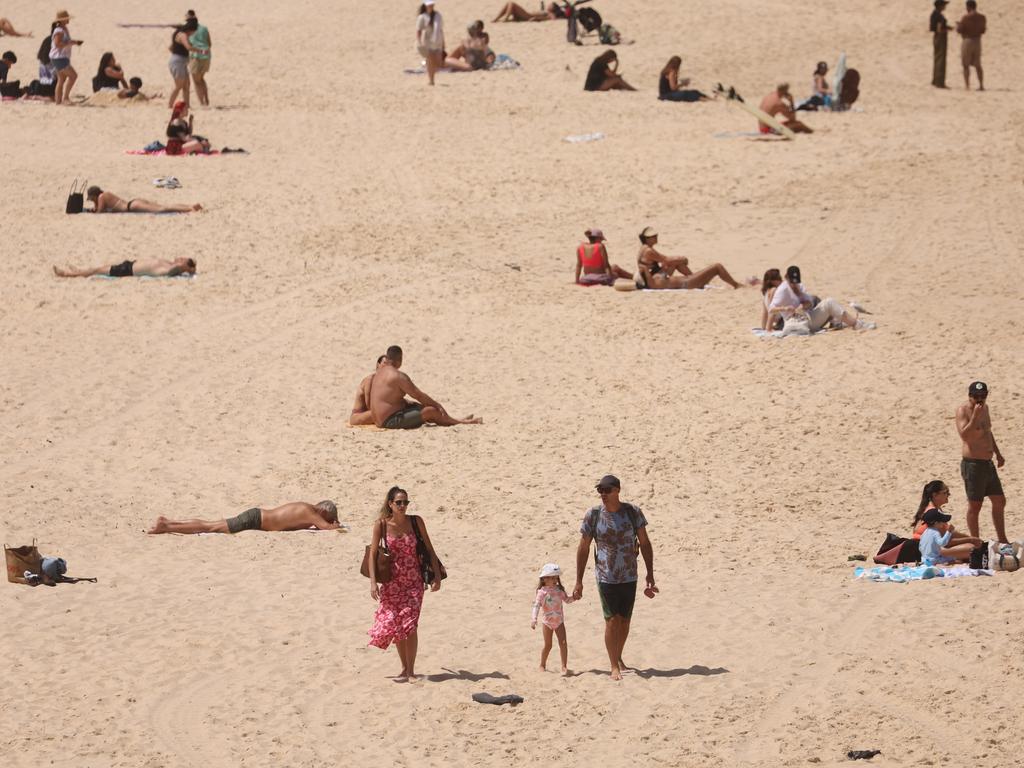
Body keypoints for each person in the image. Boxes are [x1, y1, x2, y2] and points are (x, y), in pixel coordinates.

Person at [573, 475, 655, 681]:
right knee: (611, 621)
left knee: (624, 621)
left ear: (617, 490)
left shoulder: (633, 512)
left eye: (607, 490)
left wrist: (650, 574)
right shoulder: (593, 515)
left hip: (629, 574)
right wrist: (579, 580)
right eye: (600, 490)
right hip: (605, 576)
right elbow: (583, 547)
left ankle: (618, 657)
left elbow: (645, 543)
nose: (603, 494)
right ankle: (613, 666)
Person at [367, 486, 443, 681]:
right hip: (392, 583)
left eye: (405, 502)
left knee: (411, 624)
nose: (403, 506)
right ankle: (403, 667)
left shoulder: (416, 522)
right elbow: (372, 554)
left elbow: (429, 547)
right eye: (399, 502)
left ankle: (411, 670)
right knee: (396, 625)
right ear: (390, 504)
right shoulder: (381, 525)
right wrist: (373, 583)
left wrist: (436, 575)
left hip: (414, 582)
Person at [369, 345, 482, 428]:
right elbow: (418, 395)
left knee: (419, 406)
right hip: (389, 421)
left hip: (378, 419)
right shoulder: (398, 376)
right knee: (431, 410)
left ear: (387, 358)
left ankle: (455, 419)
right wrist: (438, 405)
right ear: (400, 360)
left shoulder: (378, 374)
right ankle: (461, 422)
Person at [956, 381, 1008, 542]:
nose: (979, 400)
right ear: (969, 396)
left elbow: (988, 433)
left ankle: (1003, 539)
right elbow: (965, 436)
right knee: (975, 505)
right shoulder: (963, 411)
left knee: (999, 500)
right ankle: (976, 541)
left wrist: (998, 453)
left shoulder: (985, 408)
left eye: (983, 396)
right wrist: (974, 418)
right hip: (973, 465)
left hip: (987, 463)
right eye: (976, 397)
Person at [636, 227, 743, 289]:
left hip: (676, 280)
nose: (656, 237)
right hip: (684, 283)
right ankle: (736, 285)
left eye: (656, 235)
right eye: (654, 236)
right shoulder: (649, 252)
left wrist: (679, 261)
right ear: (647, 239)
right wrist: (682, 259)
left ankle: (693, 277)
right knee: (717, 266)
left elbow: (666, 261)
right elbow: (665, 259)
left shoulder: (644, 249)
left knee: (678, 264)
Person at [147, 500, 339, 534]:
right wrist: (335, 525)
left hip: (256, 517)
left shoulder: (305, 508)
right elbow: (327, 528)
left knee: (211, 525)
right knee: (209, 526)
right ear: (323, 510)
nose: (328, 520)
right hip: (255, 520)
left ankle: (169, 523)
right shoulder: (311, 512)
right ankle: (167, 526)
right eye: (329, 517)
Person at [768, 265, 861, 331]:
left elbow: (810, 302)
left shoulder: (799, 286)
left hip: (807, 318)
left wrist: (804, 305)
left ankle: (853, 323)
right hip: (794, 322)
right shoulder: (782, 290)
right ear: (786, 277)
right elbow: (771, 309)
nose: (794, 284)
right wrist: (785, 308)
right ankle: (856, 324)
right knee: (829, 303)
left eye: (796, 282)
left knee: (829, 302)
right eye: (792, 282)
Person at [531, 563, 575, 676]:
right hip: (547, 622)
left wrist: (574, 597)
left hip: (559, 621)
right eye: (552, 577)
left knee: (563, 643)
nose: (555, 579)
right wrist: (534, 619)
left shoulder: (559, 591)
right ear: (544, 579)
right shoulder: (541, 593)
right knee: (548, 645)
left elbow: (567, 600)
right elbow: (536, 606)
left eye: (556, 577)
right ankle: (542, 664)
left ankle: (564, 666)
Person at [910, 480, 983, 548]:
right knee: (971, 548)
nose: (949, 494)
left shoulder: (928, 508)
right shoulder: (932, 512)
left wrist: (970, 538)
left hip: (925, 546)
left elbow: (950, 534)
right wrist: (970, 540)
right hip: (925, 549)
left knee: (971, 546)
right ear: (935, 495)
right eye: (945, 492)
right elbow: (946, 542)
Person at [82, 186, 203, 214]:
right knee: (163, 206)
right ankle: (189, 205)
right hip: (133, 202)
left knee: (162, 209)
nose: (92, 200)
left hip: (132, 207)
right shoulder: (106, 194)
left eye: (91, 198)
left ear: (94, 195)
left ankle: (189, 208)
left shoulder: (101, 197)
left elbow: (100, 212)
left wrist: (90, 211)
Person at [53, 256, 197, 278]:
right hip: (129, 265)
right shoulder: (169, 263)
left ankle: (67, 274)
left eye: (183, 259)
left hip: (127, 271)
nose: (180, 257)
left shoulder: (170, 269)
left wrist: (186, 267)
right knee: (99, 268)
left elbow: (174, 271)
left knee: (97, 270)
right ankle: (78, 271)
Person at [49, 10, 82, 106]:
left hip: (59, 57)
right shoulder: (59, 30)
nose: (68, 20)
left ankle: (58, 101)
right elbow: (57, 44)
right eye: (67, 18)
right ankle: (65, 98)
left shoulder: (63, 28)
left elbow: (64, 41)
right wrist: (70, 43)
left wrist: (75, 42)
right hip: (59, 57)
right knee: (73, 76)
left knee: (61, 79)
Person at [168, 14, 196, 108]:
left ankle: (187, 105)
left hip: (181, 61)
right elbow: (188, 47)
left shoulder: (178, 33)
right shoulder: (183, 35)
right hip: (178, 62)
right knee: (179, 85)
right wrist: (200, 50)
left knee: (187, 85)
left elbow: (170, 48)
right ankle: (170, 105)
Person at [956, 0, 985, 90]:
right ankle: (981, 85)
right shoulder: (982, 17)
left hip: (968, 40)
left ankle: (967, 85)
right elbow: (983, 30)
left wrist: (958, 25)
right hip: (977, 41)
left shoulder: (966, 17)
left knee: (966, 64)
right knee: (978, 65)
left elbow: (960, 30)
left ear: (968, 7)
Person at [350, 355, 387, 426]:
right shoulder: (369, 380)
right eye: (384, 363)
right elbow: (368, 405)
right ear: (378, 365)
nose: (387, 366)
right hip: (359, 414)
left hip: (371, 413)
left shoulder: (383, 382)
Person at [416, 1, 445, 86]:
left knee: (437, 62)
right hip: (427, 42)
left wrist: (443, 42)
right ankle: (431, 80)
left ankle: (431, 78)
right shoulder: (422, 17)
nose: (431, 6)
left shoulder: (438, 15)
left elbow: (440, 29)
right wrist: (419, 42)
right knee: (430, 61)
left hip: (437, 41)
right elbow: (419, 31)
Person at [188, 10, 211, 106]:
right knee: (201, 79)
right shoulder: (204, 28)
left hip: (196, 57)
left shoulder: (189, 30)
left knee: (196, 81)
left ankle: (202, 102)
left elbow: (188, 45)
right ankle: (206, 99)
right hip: (206, 55)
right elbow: (210, 43)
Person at [930, 0, 952, 88]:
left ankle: (935, 80)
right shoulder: (939, 15)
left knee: (937, 58)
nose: (945, 6)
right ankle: (940, 82)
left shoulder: (935, 14)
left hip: (937, 37)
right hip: (940, 37)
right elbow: (939, 29)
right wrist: (947, 29)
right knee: (941, 59)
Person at [493, 2, 560, 22]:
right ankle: (497, 18)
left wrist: (536, 19)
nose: (549, 5)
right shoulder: (546, 10)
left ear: (553, 8)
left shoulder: (551, 13)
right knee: (509, 4)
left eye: (551, 5)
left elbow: (552, 18)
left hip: (527, 16)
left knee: (511, 3)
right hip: (526, 15)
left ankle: (505, 18)